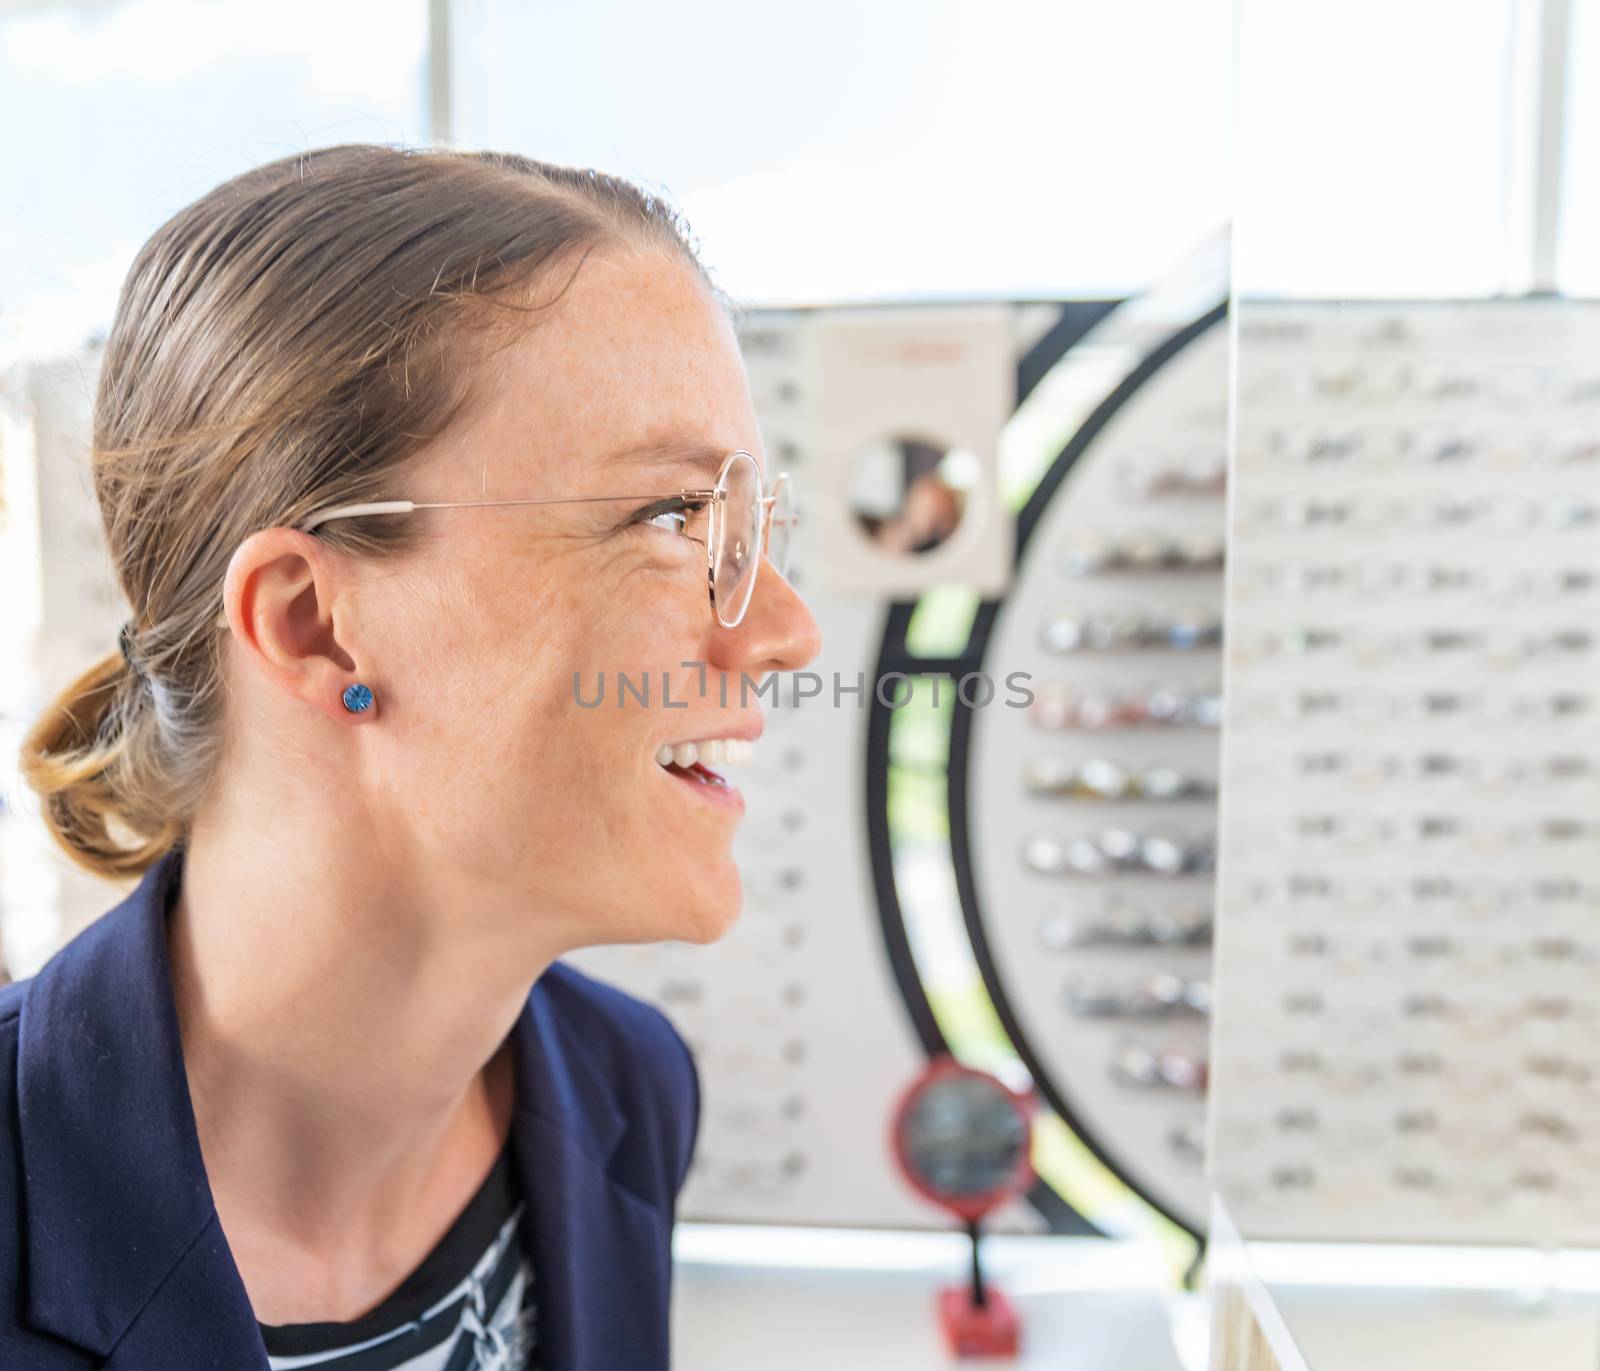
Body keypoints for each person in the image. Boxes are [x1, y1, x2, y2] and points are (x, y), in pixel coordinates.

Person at [0, 143, 821, 1369]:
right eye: (668, 517)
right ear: (312, 623)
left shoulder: (625, 1091)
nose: (783, 632)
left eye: (750, 527)